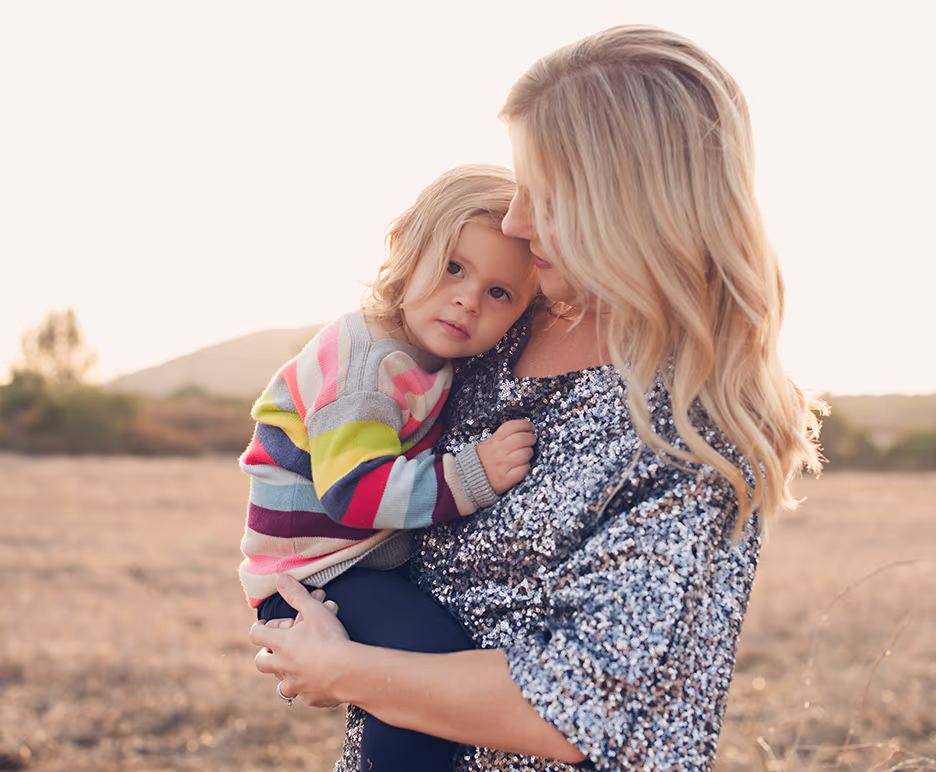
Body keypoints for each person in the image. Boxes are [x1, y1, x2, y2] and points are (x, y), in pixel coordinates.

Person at [250, 25, 822, 772]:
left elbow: (580, 705)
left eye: (542, 194)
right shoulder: (500, 334)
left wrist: (346, 670)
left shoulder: (691, 431)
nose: (515, 222)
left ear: (627, 202)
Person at [239, 164, 540, 770]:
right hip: (310, 580)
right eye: (454, 267)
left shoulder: (426, 360)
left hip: (349, 566)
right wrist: (472, 473)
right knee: (428, 663)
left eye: (499, 293)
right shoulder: (365, 360)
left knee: (418, 675)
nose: (468, 299)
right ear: (404, 246)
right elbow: (354, 491)